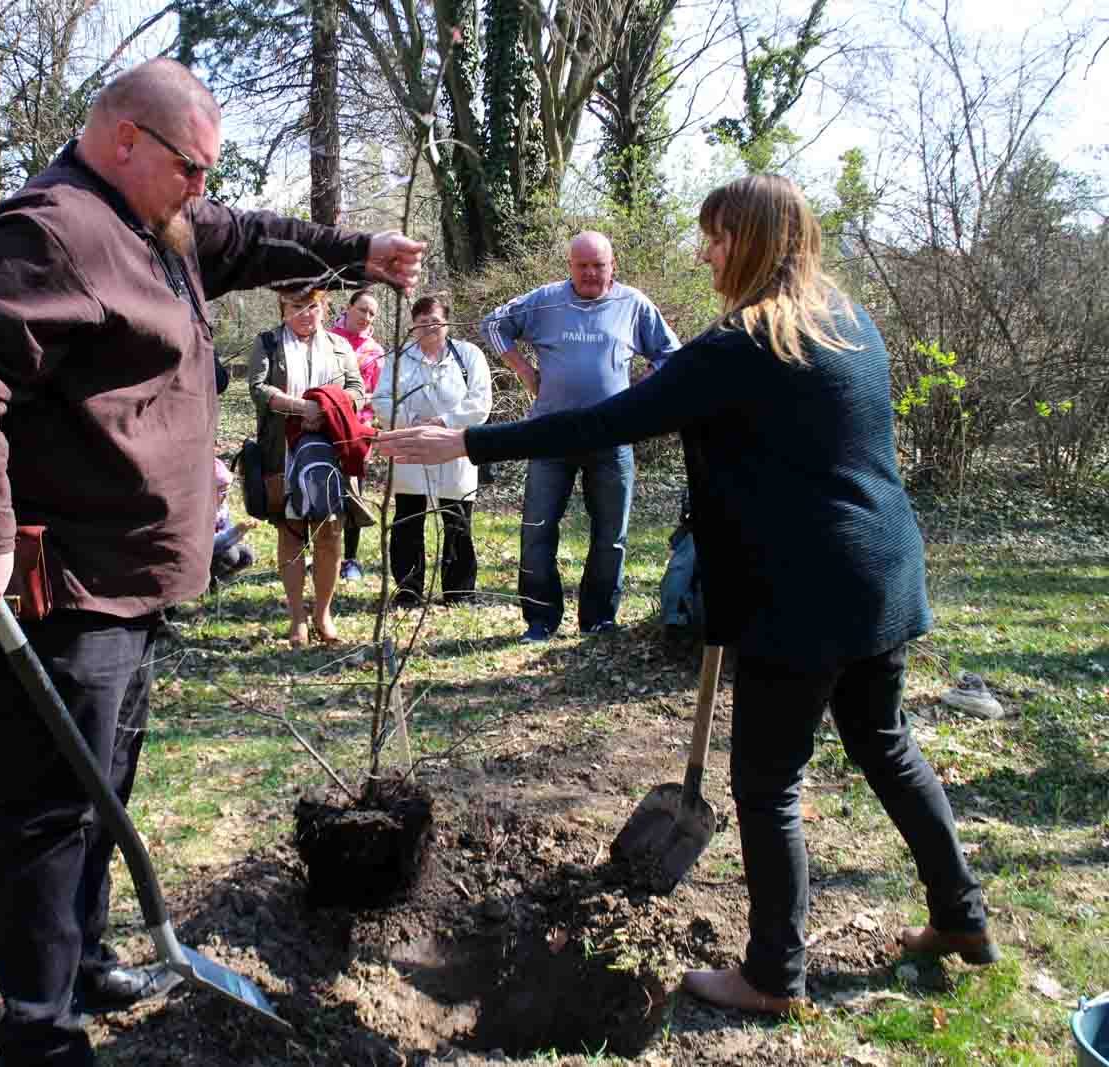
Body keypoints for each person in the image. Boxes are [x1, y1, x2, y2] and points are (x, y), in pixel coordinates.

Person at [376, 174, 995, 1015]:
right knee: (887, 745)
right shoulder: (849, 324)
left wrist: (466, 438)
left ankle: (774, 975)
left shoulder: (742, 345)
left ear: (751, 240)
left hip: (802, 594)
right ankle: (963, 917)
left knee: (768, 781)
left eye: (714, 236)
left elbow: (604, 422)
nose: (703, 252)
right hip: (881, 576)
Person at [0, 59, 423, 1067]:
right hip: (64, 587)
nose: (204, 188)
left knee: (105, 779)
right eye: (192, 167)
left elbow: (256, 234)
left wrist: (359, 251)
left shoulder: (166, 222)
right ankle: (39, 1027)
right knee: (49, 802)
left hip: (135, 578)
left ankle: (90, 960)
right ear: (125, 140)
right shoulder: (50, 231)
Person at [481, 231, 679, 641]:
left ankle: (599, 619)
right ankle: (540, 619)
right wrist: (524, 371)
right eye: (582, 266)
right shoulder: (546, 300)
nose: (590, 273)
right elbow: (495, 324)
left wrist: (642, 393)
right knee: (537, 528)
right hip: (549, 434)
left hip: (612, 437)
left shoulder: (634, 304)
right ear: (569, 266)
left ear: (612, 266)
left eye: (598, 266)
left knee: (611, 533)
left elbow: (670, 353)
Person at [248, 286, 365, 647]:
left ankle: (323, 614)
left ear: (324, 308)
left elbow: (357, 388)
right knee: (292, 530)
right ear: (283, 308)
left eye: (312, 307)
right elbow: (258, 388)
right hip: (282, 450)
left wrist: (329, 409)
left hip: (331, 449)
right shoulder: (267, 342)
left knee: (330, 531)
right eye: (297, 307)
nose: (305, 314)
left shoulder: (340, 345)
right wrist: (300, 409)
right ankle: (297, 617)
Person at [371, 295, 491, 607]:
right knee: (408, 520)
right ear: (413, 326)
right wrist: (413, 423)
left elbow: (480, 403)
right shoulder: (398, 358)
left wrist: (443, 422)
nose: (429, 328)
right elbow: (382, 400)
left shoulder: (468, 355)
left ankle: (459, 591)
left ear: (447, 323)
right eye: (422, 323)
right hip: (410, 446)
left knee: (457, 520)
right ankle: (409, 590)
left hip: (455, 447)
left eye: (435, 322)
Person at [328, 287, 385, 581]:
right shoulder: (327, 340)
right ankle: (322, 556)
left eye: (372, 313)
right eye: (362, 309)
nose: (366, 316)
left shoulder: (374, 352)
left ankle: (350, 560)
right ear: (348, 308)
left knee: (353, 493)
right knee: (321, 490)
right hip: (324, 424)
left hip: (358, 430)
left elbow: (380, 395)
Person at [210, 457, 255, 587]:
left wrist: (241, 532)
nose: (225, 495)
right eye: (221, 490)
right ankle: (208, 582)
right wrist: (234, 531)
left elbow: (226, 536)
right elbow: (209, 544)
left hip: (219, 549)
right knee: (231, 554)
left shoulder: (222, 507)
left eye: (227, 490)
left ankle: (220, 580)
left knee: (247, 555)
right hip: (204, 556)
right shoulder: (201, 511)